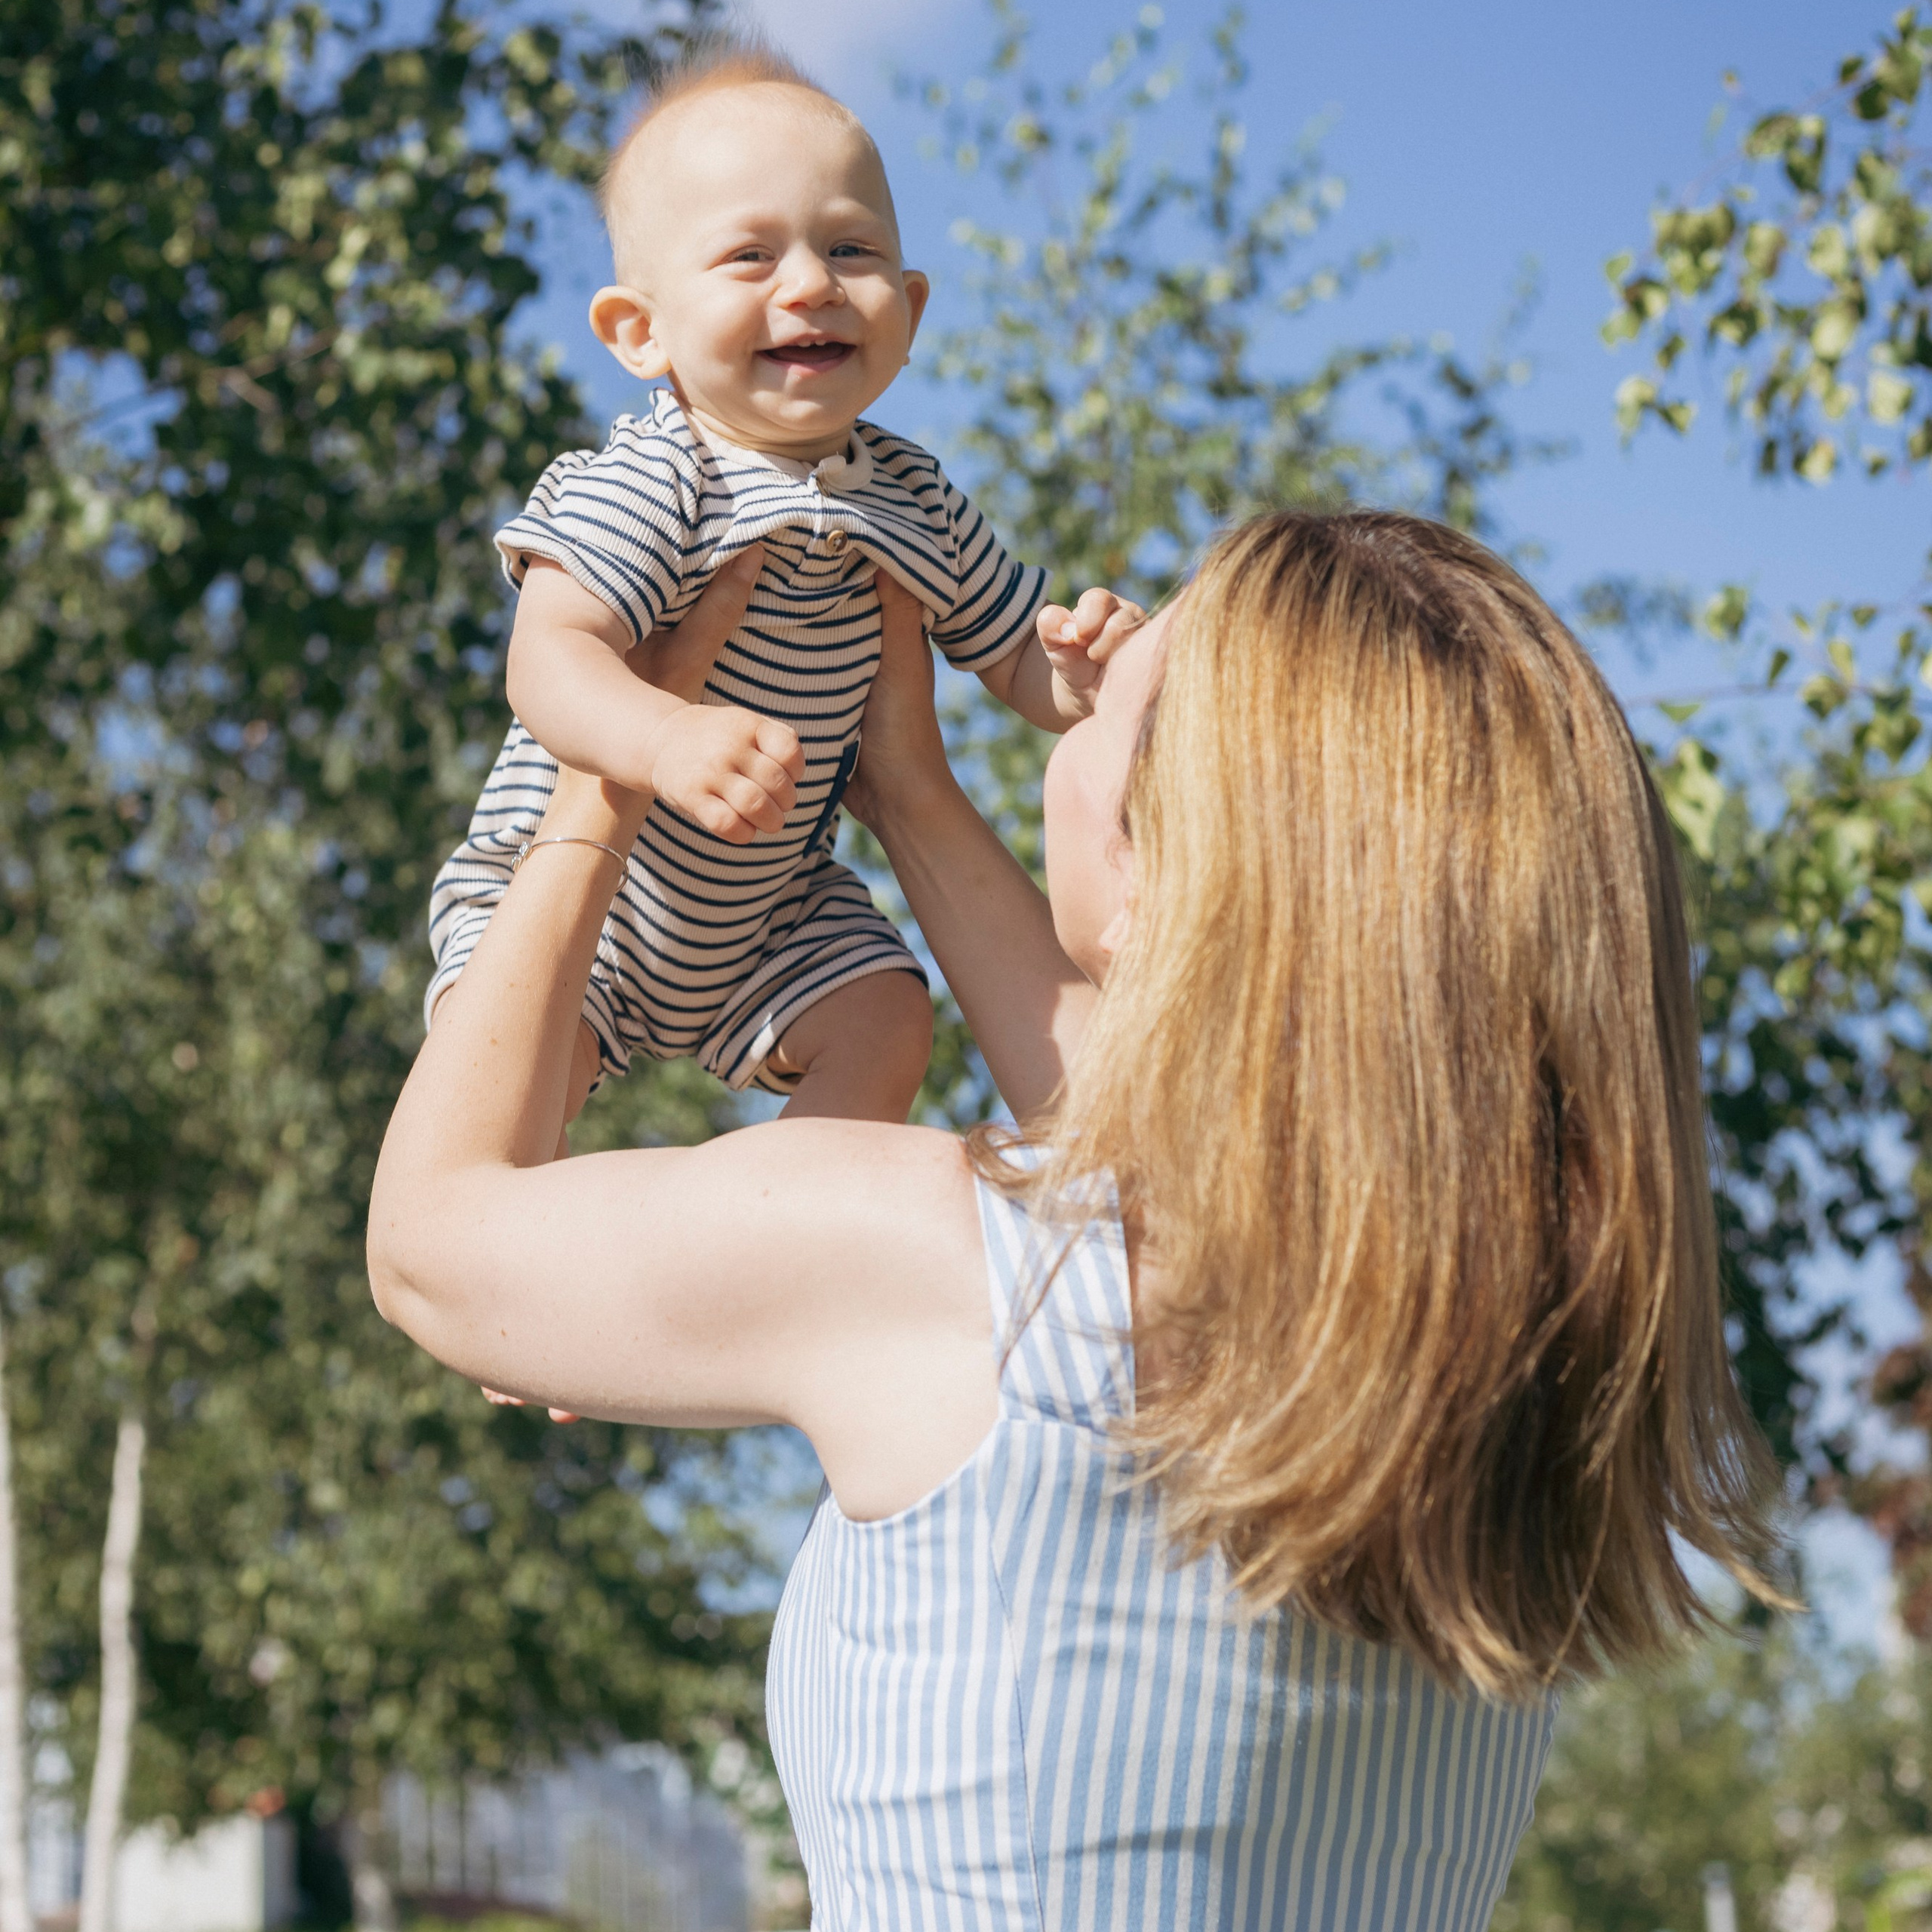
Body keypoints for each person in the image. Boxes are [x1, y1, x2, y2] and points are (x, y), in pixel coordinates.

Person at [370, 509, 1785, 1925]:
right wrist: (907, 791)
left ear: (1172, 847)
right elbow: (1169, 1154)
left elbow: (436, 1246)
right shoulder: (1519, 1370)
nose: (1086, 667)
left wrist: (608, 777)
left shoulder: (961, 1275)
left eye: (1122, 689)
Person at [425, 34, 1139, 1127]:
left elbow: (1010, 658)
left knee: (889, 1016)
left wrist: (1080, 672)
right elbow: (549, 657)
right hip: (569, 894)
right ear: (640, 332)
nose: (812, 284)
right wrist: (664, 738)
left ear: (911, 307)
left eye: (850, 249)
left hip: (769, 914)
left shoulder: (914, 494)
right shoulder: (661, 472)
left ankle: (785, 1199)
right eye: (751, 257)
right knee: (520, 1077)